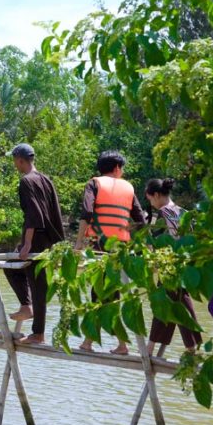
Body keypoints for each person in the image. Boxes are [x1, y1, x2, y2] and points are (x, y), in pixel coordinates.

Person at [73, 150, 147, 353]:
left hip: (99, 246)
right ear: (117, 168)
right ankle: (112, 343)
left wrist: (78, 243)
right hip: (121, 248)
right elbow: (140, 219)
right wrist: (145, 246)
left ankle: (94, 342)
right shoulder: (129, 188)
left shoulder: (94, 184)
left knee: (100, 293)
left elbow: (87, 212)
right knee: (110, 294)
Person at [2, 143, 65, 344]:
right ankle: (27, 307)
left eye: (15, 161)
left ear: (20, 160)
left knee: (34, 282)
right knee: (14, 269)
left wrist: (27, 243)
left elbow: (33, 214)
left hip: (36, 237)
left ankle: (38, 333)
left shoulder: (26, 181)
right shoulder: (46, 180)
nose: (15, 164)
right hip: (48, 238)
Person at [143, 177, 202, 354]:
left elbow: (154, 241)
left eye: (150, 199)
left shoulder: (161, 213)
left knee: (171, 303)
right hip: (185, 264)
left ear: (156, 195)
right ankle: (154, 347)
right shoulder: (183, 212)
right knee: (170, 303)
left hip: (169, 265)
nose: (151, 204)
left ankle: (191, 348)